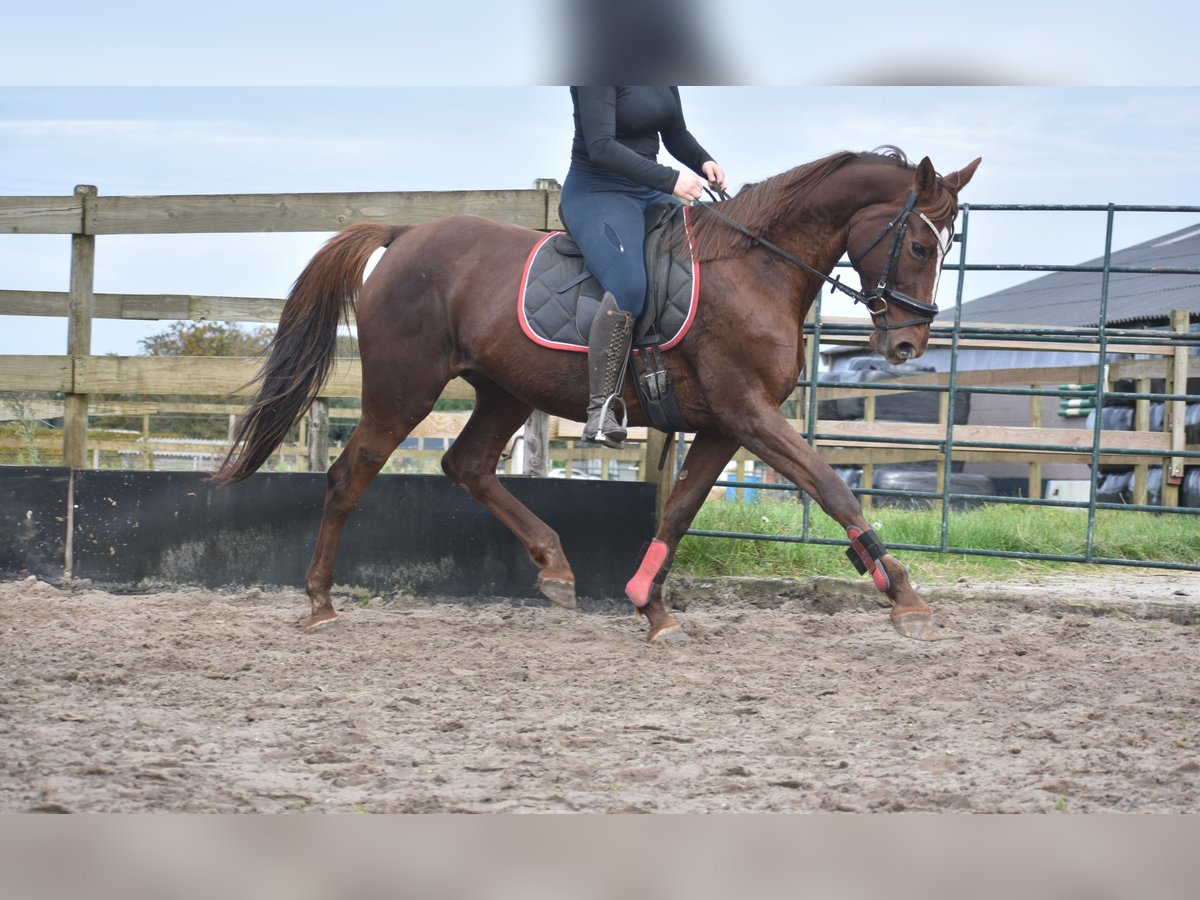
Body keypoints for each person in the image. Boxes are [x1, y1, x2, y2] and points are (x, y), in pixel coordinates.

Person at [560, 86, 727, 448]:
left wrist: (703, 161)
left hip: (649, 191)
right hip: (598, 190)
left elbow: (676, 133)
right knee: (629, 286)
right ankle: (602, 410)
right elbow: (601, 146)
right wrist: (669, 179)